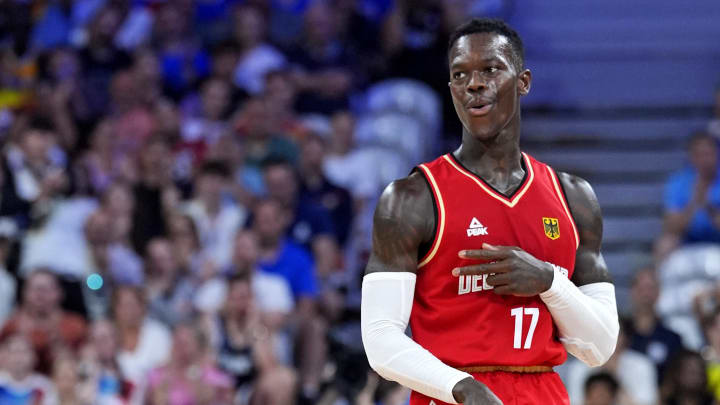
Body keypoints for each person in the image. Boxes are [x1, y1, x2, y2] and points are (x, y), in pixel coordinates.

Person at [360, 18, 619, 405]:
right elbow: (380, 337)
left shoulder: (573, 197)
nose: (474, 84)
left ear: (523, 82)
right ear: (451, 90)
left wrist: (549, 281)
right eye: (460, 74)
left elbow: (599, 347)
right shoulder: (411, 197)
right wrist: (461, 387)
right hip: (449, 392)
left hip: (542, 390)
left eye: (491, 69)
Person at [655, 132, 720, 261]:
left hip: (717, 242)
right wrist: (694, 203)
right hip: (686, 244)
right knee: (665, 243)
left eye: (708, 154)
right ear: (691, 157)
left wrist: (708, 206)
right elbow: (671, 228)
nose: (704, 160)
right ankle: (658, 281)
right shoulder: (678, 182)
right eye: (699, 155)